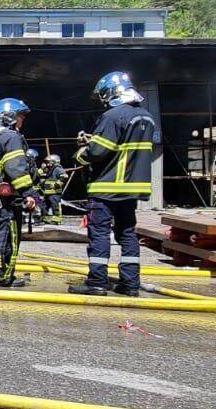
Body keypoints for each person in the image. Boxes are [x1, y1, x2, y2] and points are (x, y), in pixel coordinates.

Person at [67, 71, 157, 297]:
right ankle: (130, 284)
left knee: (99, 234)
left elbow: (97, 152)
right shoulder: (146, 117)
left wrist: (80, 152)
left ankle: (97, 282)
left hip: (107, 188)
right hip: (132, 189)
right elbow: (120, 147)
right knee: (127, 234)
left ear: (110, 93)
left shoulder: (112, 115)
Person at [0, 98, 39, 288]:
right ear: (10, 117)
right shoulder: (11, 137)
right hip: (6, 200)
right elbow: (16, 169)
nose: (23, 119)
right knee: (9, 238)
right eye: (21, 115)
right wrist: (30, 193)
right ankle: (4, 277)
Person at [37, 153, 67, 225]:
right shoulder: (50, 170)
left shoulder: (57, 169)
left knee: (55, 206)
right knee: (44, 206)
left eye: (48, 162)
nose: (47, 164)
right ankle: (45, 219)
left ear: (54, 161)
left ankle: (57, 220)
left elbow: (64, 176)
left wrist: (58, 184)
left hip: (55, 192)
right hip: (47, 192)